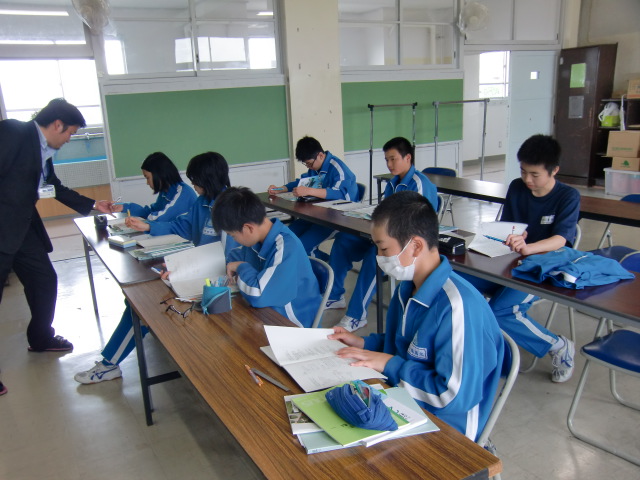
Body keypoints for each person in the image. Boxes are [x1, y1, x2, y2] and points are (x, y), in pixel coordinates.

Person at [329, 191, 504, 440]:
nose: (379, 258)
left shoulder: (457, 307)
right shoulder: (407, 288)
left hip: (448, 427)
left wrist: (389, 364)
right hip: (404, 398)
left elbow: (451, 396)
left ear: (416, 246)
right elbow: (405, 344)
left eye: (384, 248)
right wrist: (364, 344)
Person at [74, 152, 233, 384]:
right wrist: (148, 227)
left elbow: (229, 259)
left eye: (195, 180)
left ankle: (109, 365)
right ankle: (112, 361)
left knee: (145, 303)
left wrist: (185, 269)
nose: (193, 185)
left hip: (216, 281)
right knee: (138, 301)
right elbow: (182, 226)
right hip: (198, 271)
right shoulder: (203, 202)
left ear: (207, 179)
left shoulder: (229, 206)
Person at [460, 134, 580, 383]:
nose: (527, 179)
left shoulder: (568, 196)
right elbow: (509, 226)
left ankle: (558, 346)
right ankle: (469, 343)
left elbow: (561, 240)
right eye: (523, 171)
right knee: (454, 278)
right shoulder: (517, 187)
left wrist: (529, 247)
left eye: (535, 174)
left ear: (554, 170)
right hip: (508, 262)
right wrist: (513, 235)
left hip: (541, 270)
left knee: (501, 312)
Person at [0, 98, 113, 361]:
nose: (69, 140)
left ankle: (41, 338)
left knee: (44, 280)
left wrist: (93, 204)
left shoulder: (45, 150)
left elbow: (54, 187)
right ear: (57, 124)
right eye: (70, 133)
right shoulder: (13, 132)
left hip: (22, 229)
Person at [325, 137, 438, 331]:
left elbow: (415, 224)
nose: (389, 164)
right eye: (387, 160)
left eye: (393, 159)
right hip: (388, 234)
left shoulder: (419, 184)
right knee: (343, 241)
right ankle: (335, 295)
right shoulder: (392, 183)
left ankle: (356, 315)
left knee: (375, 256)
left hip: (405, 241)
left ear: (408, 158)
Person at [212, 187, 322, 328]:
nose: (234, 240)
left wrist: (241, 267)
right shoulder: (255, 239)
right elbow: (234, 258)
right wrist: (234, 267)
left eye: (233, 236)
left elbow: (259, 295)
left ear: (248, 228)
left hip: (293, 324)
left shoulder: (286, 246)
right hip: (266, 314)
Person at [267, 136, 359, 260]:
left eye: (310, 163)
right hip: (317, 215)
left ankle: (324, 268)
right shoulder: (315, 168)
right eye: (306, 164)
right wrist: (280, 189)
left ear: (320, 155)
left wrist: (309, 190)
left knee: (303, 246)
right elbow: (301, 182)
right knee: (287, 237)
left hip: (337, 219)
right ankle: (323, 262)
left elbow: (340, 194)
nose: (309, 167)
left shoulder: (338, 169)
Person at [107, 152, 196, 221]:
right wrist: (125, 207)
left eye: (147, 177)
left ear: (159, 174)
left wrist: (138, 223)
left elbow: (160, 218)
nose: (147, 183)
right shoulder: (165, 191)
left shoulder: (183, 193)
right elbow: (151, 212)